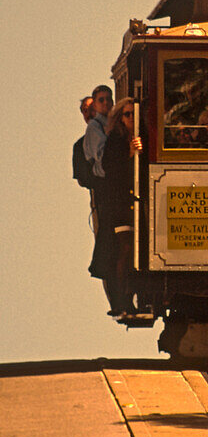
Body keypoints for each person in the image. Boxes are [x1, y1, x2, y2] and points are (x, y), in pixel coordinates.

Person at [102, 98, 142, 316]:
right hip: (119, 204)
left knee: (135, 253)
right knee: (124, 250)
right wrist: (129, 153)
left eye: (134, 114)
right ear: (120, 118)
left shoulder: (142, 136)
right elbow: (110, 169)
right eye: (127, 114)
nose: (131, 118)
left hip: (136, 202)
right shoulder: (114, 140)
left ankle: (130, 299)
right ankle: (121, 301)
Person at [83, 85, 118, 301]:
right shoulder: (95, 128)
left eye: (108, 99)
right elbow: (103, 159)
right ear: (95, 105)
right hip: (107, 187)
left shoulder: (112, 123)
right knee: (110, 237)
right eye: (101, 100)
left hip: (115, 185)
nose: (105, 103)